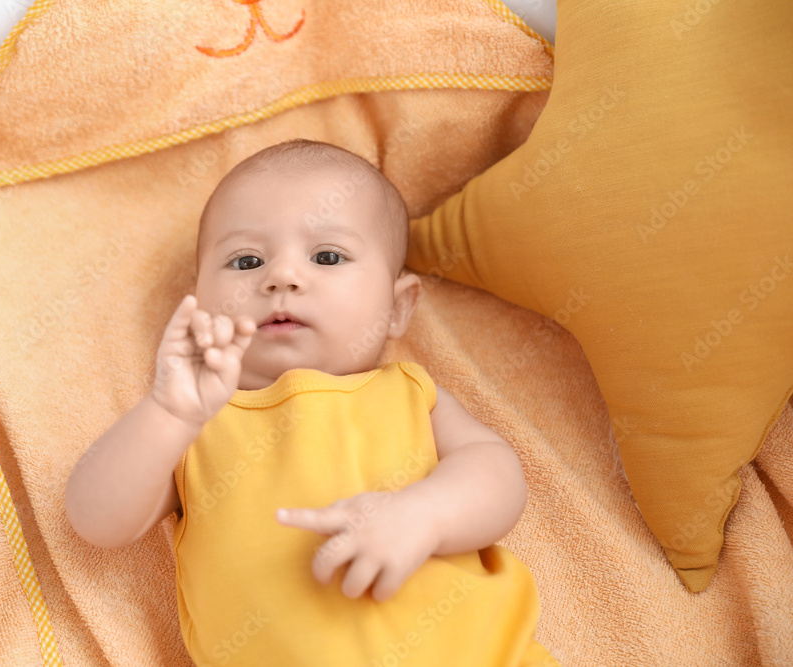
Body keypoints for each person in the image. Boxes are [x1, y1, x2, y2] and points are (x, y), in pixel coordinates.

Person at [65, 139, 556, 666]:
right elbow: (97, 520)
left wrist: (425, 514)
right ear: (200, 301)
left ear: (396, 308)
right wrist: (168, 414)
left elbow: (499, 476)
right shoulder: (195, 425)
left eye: (327, 256)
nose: (281, 278)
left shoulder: (409, 394)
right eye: (246, 260)